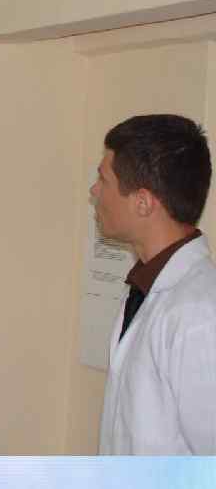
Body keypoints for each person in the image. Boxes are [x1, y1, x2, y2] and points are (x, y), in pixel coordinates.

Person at [90, 114, 216, 454]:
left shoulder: (200, 313)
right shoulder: (146, 287)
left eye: (103, 179)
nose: (94, 191)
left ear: (143, 202)